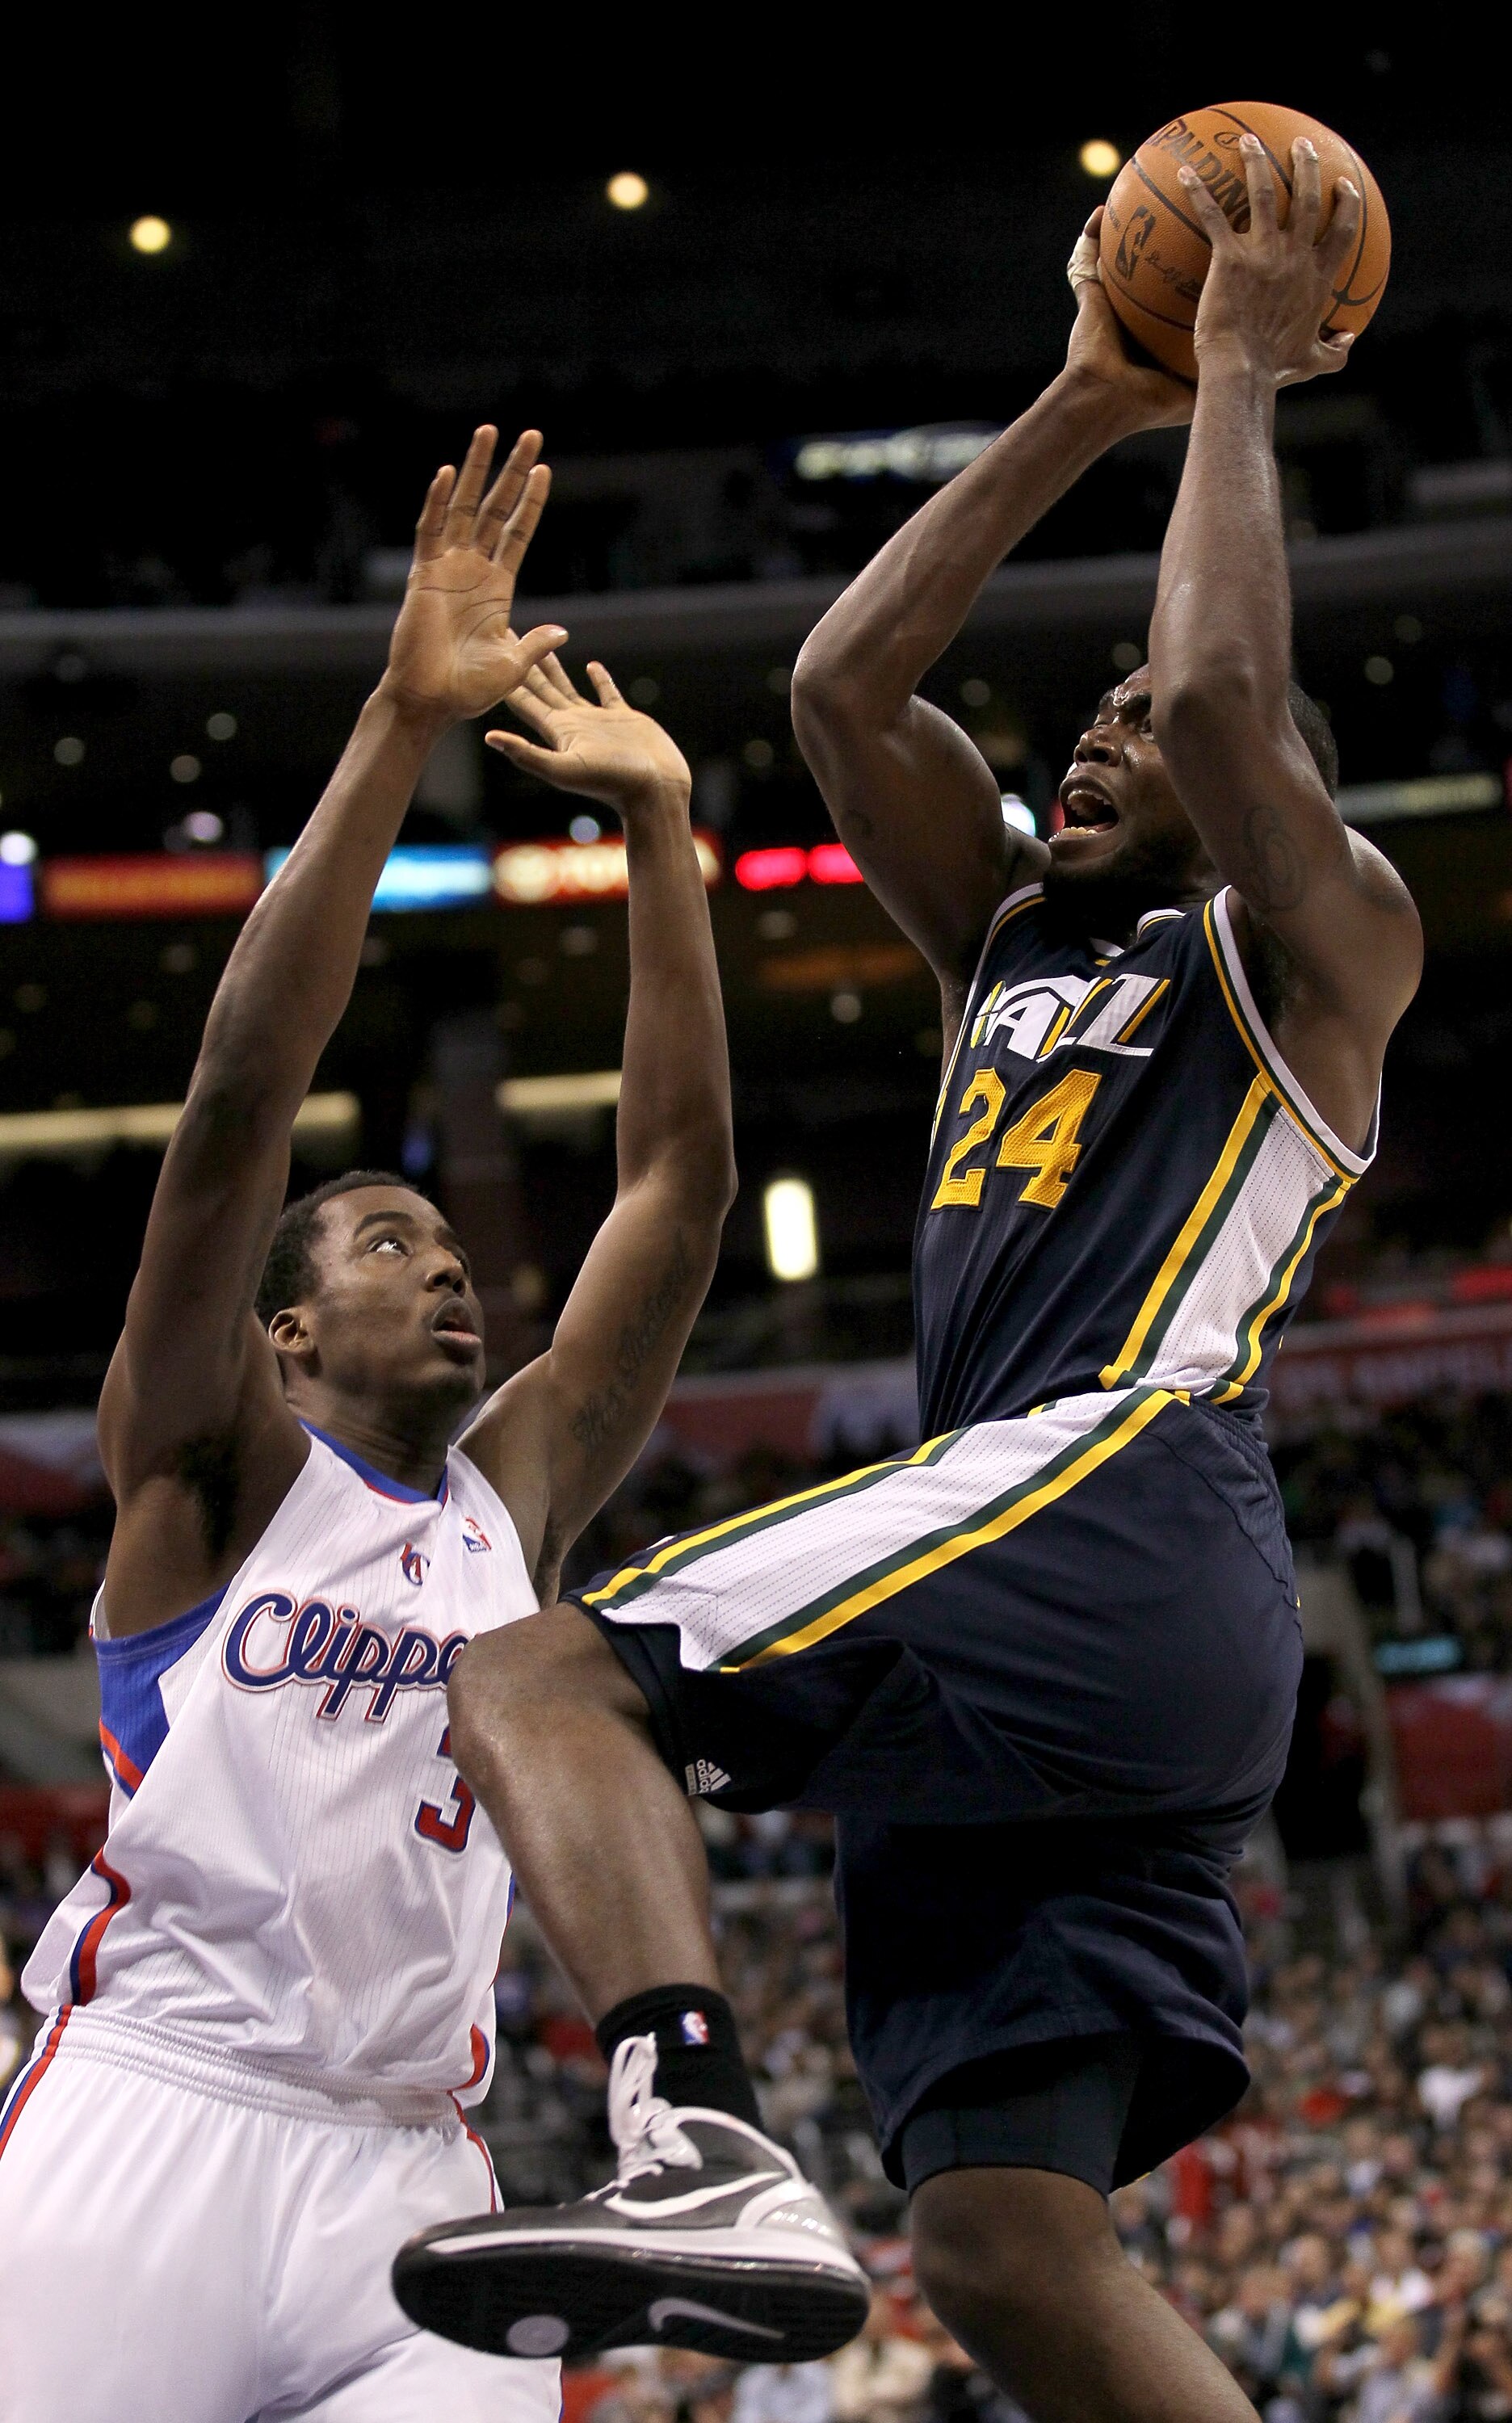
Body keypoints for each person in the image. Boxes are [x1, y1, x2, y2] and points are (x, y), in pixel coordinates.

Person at [399, 141, 1422, 2423]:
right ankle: (766, 2171)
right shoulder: (1012, 947)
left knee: (541, 1674)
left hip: (1115, 1486)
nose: (1099, 734)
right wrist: (1086, 398)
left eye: (1130, 735)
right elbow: (848, 687)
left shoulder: (1312, 942)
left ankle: (688, 2140)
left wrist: (1237, 378)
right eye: (1091, 723)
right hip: (1088, 1605)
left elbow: (1236, 701)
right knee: (998, 2239)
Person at [0, 426, 739, 2421]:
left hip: (416, 2176)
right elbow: (245, 1091)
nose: (444, 1272)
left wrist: (662, 840)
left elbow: (672, 1190)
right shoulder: (211, 1464)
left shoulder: (511, 1499)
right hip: (152, 2109)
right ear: (284, 1326)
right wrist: (404, 717)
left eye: (447, 1243)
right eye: (389, 1242)